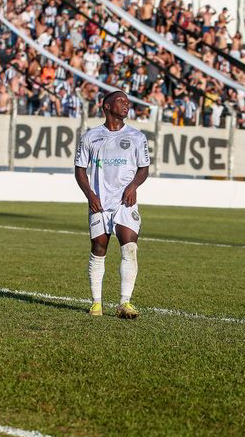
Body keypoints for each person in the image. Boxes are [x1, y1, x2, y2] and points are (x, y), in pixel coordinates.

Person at [74, 90, 150, 319]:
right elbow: (79, 170)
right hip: (99, 202)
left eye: (127, 102)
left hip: (125, 202)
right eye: (120, 101)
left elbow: (144, 168)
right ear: (106, 106)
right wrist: (90, 194)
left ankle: (125, 303)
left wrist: (133, 186)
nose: (126, 105)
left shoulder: (137, 137)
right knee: (99, 249)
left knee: (130, 247)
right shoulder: (90, 136)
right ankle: (96, 303)